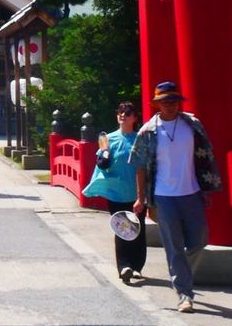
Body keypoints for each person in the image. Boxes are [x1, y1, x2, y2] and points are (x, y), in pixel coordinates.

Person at [130, 80, 222, 312]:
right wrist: (141, 198)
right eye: (164, 102)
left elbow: (205, 156)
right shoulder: (148, 131)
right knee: (174, 246)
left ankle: (181, 273)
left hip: (191, 191)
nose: (169, 105)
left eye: (173, 101)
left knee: (200, 240)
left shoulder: (192, 125)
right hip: (163, 195)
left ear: (179, 102)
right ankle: (184, 293)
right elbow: (139, 166)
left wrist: (207, 185)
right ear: (157, 105)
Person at [82, 100, 146, 284]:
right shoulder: (107, 138)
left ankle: (137, 267)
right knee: (122, 228)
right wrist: (103, 159)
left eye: (127, 113)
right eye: (120, 112)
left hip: (137, 192)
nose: (122, 115)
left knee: (138, 230)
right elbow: (101, 159)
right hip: (116, 192)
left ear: (135, 118)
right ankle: (124, 266)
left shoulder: (140, 138)